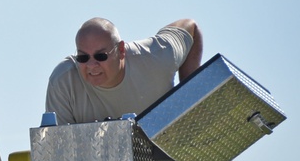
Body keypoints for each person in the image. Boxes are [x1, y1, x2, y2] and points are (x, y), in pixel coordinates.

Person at [45, 18, 203, 124]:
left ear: (121, 50)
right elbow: (60, 152)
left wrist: (188, 99)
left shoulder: (157, 57)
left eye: (101, 56)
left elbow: (191, 27)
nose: (92, 65)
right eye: (83, 57)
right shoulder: (63, 81)